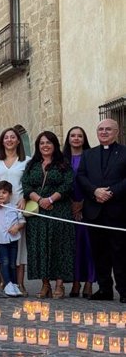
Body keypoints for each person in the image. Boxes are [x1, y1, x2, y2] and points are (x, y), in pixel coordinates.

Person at [77, 119, 126, 303]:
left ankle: (124, 290)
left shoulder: (124, 152)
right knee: (99, 252)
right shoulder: (88, 154)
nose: (104, 132)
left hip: (118, 211)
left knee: (120, 253)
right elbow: (81, 176)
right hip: (94, 211)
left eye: (108, 129)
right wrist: (94, 191)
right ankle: (105, 289)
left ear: (117, 132)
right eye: (100, 129)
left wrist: (111, 192)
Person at [21, 131, 74, 299]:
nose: (45, 145)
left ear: (54, 145)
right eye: (42, 143)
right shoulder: (32, 164)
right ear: (38, 146)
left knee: (60, 247)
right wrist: (40, 199)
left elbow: (68, 184)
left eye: (48, 142)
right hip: (38, 213)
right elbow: (26, 185)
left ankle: (59, 285)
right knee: (40, 247)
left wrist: (50, 199)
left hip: (59, 210)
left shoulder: (63, 163)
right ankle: (45, 285)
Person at [0, 127, 30, 296]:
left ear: (18, 141)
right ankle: (4, 280)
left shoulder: (26, 161)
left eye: (13, 137)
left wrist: (25, 197)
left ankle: (20, 283)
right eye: (6, 137)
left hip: (17, 205)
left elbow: (28, 183)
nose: (9, 140)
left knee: (18, 246)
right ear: (2, 141)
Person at [63, 126, 95, 298]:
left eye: (79, 136)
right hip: (67, 207)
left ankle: (89, 281)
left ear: (84, 139)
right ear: (68, 139)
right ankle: (75, 281)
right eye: (73, 135)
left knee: (88, 245)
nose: (76, 138)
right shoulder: (62, 159)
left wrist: (81, 204)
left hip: (88, 207)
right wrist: (71, 204)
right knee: (73, 246)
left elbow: (95, 180)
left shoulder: (91, 157)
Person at [0, 181, 25, 297]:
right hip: (0, 241)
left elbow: (22, 221)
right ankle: (7, 284)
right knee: (4, 262)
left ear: (10, 194)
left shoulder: (15, 208)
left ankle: (14, 284)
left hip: (13, 240)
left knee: (13, 263)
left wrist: (17, 227)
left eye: (4, 193)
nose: (1, 195)